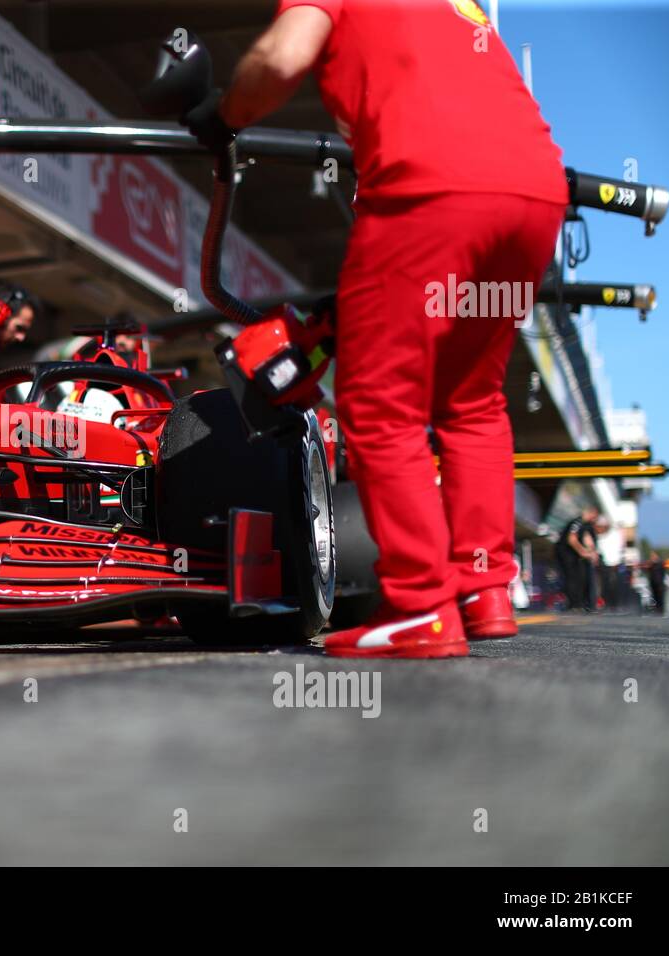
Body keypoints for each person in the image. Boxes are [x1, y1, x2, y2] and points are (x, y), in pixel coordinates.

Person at [184, 0, 567, 657]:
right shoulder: (454, 9)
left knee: (378, 399)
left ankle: (422, 606)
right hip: (535, 192)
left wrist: (222, 116)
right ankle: (485, 591)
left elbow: (281, 57)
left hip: (435, 183)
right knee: (472, 402)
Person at [555, 506, 599, 612]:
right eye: (594, 516)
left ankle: (578, 603)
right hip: (566, 553)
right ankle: (573, 604)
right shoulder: (577, 522)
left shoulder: (585, 525)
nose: (594, 519)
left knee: (578, 577)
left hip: (573, 555)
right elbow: (572, 539)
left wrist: (591, 552)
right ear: (590, 513)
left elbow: (588, 541)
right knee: (572, 578)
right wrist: (583, 552)